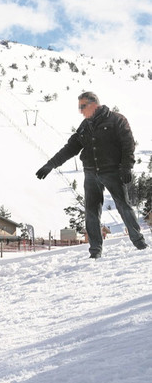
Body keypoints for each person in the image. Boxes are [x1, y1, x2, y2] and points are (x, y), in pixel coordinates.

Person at [36, 91, 147, 258]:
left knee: (123, 206)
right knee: (91, 212)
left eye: (83, 106)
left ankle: (139, 243)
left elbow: (128, 144)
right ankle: (95, 251)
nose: (80, 111)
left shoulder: (117, 120)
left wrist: (126, 167)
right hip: (90, 173)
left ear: (94, 104)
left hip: (112, 171)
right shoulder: (84, 126)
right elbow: (70, 148)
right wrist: (50, 165)